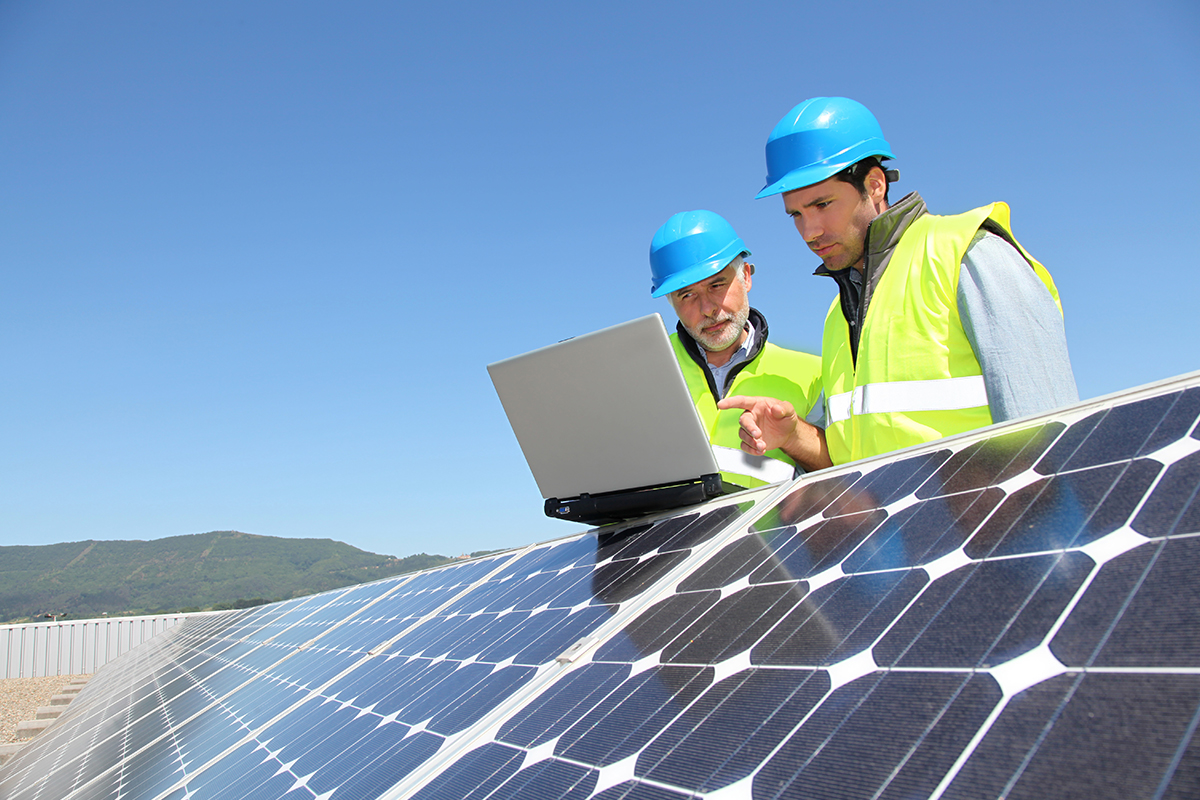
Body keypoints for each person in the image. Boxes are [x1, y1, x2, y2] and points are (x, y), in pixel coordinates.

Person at [720, 96, 1078, 467]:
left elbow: (1050, 442)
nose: (809, 231)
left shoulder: (967, 253)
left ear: (874, 186)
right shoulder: (837, 316)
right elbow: (849, 466)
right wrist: (795, 437)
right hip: (893, 526)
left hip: (994, 521)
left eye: (823, 204)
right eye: (795, 214)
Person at [649, 209, 826, 487]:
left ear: (746, 276)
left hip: (767, 532)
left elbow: (847, 477)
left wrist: (794, 438)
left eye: (717, 285)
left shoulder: (814, 374)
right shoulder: (645, 368)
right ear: (671, 301)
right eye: (687, 295)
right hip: (654, 532)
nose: (707, 309)